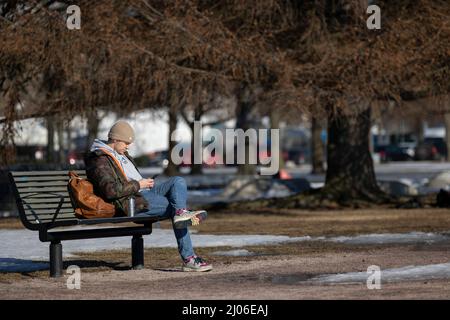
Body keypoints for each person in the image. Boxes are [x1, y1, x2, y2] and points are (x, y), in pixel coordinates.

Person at [84, 120, 212, 272]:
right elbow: (110, 191)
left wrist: (143, 183)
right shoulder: (99, 158)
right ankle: (189, 257)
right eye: (126, 142)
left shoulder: (121, 154)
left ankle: (181, 213)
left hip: (142, 193)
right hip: (130, 201)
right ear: (115, 139)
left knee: (178, 181)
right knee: (175, 208)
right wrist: (139, 185)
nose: (128, 146)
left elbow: (130, 178)